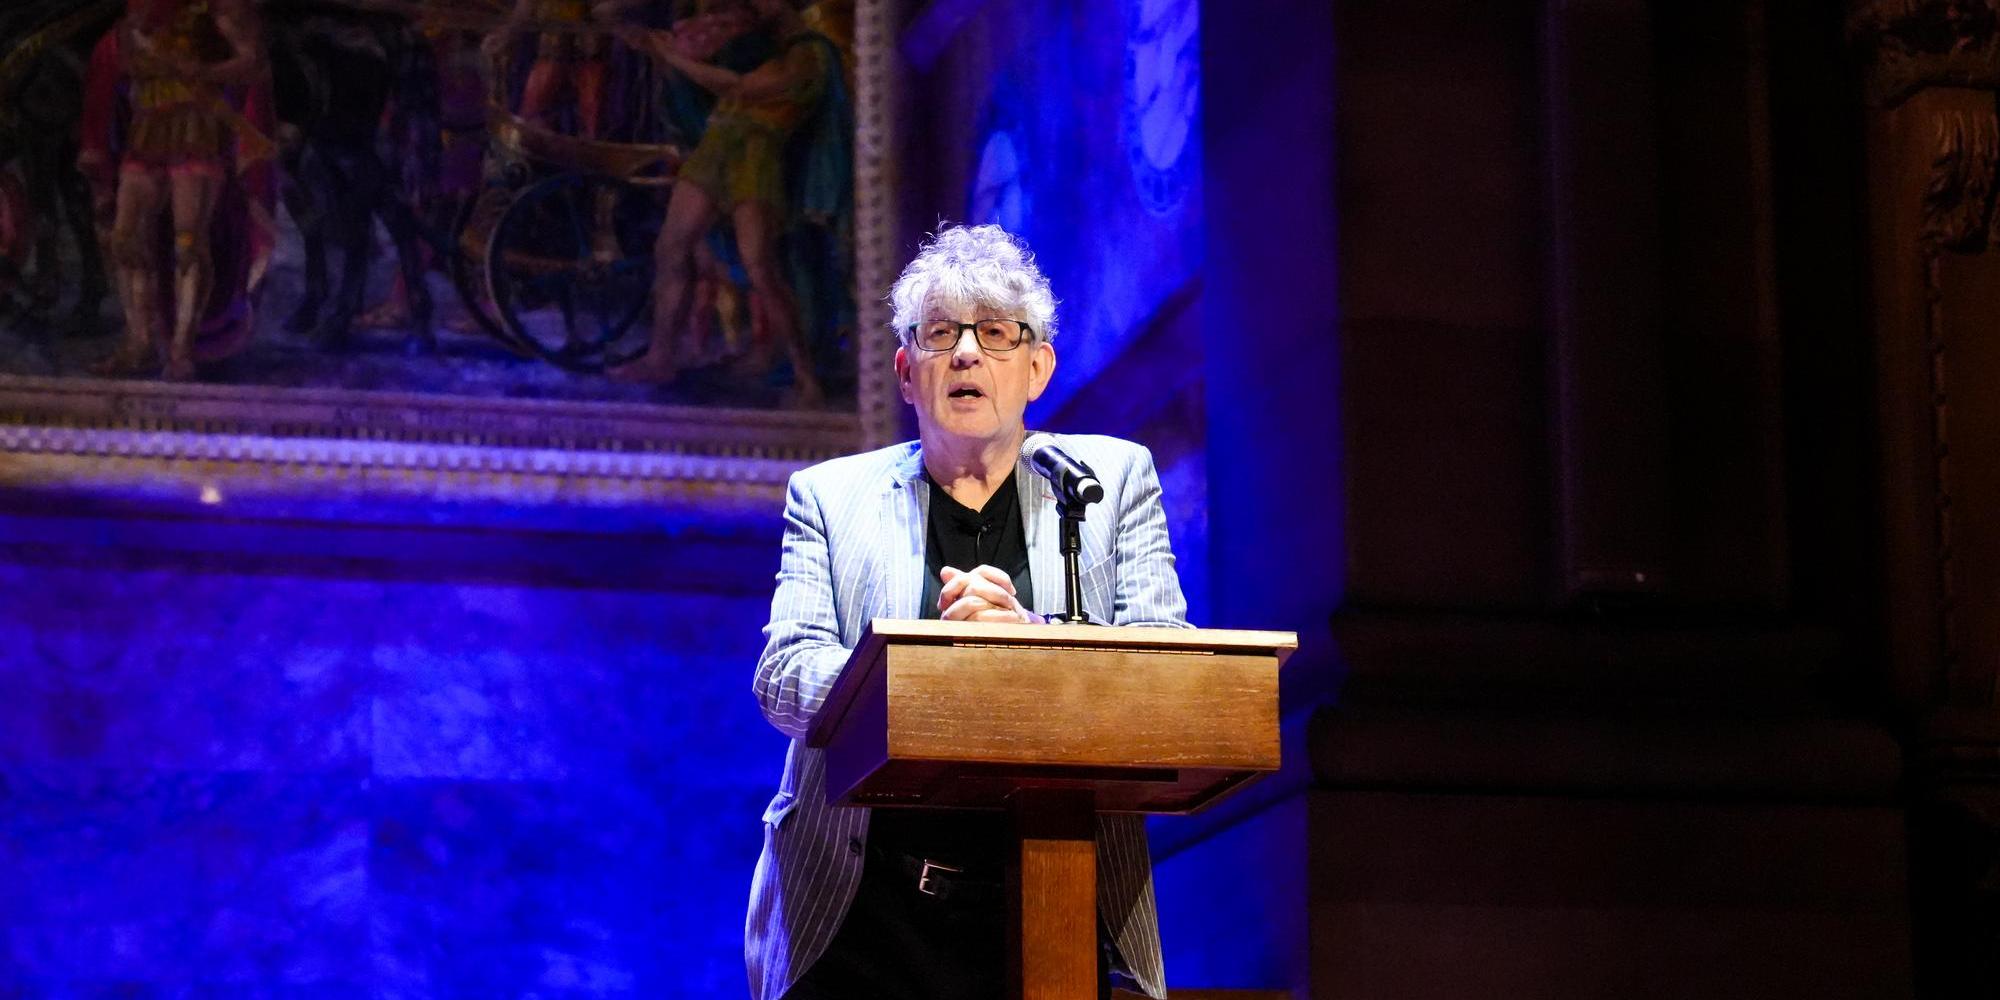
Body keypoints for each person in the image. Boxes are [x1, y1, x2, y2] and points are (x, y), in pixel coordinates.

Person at [745, 224, 1186, 1000]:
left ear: (1037, 368)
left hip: (1055, 892)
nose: (967, 354)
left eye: (994, 334)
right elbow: (785, 676)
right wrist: (921, 670)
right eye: (940, 334)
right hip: (863, 910)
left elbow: (1168, 675)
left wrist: (1032, 646)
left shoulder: (1108, 483)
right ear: (907, 373)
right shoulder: (828, 496)